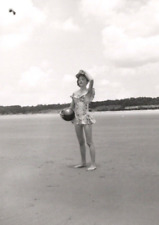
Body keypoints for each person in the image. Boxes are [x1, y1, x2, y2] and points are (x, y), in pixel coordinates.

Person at [70, 70, 96, 171]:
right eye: (79, 79)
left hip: (86, 118)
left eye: (83, 79)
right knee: (81, 142)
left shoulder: (89, 92)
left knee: (89, 142)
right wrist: (65, 113)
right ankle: (83, 162)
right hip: (77, 119)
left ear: (86, 81)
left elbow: (92, 79)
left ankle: (93, 164)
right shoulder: (75, 94)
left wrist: (84, 72)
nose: (80, 81)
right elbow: (71, 107)